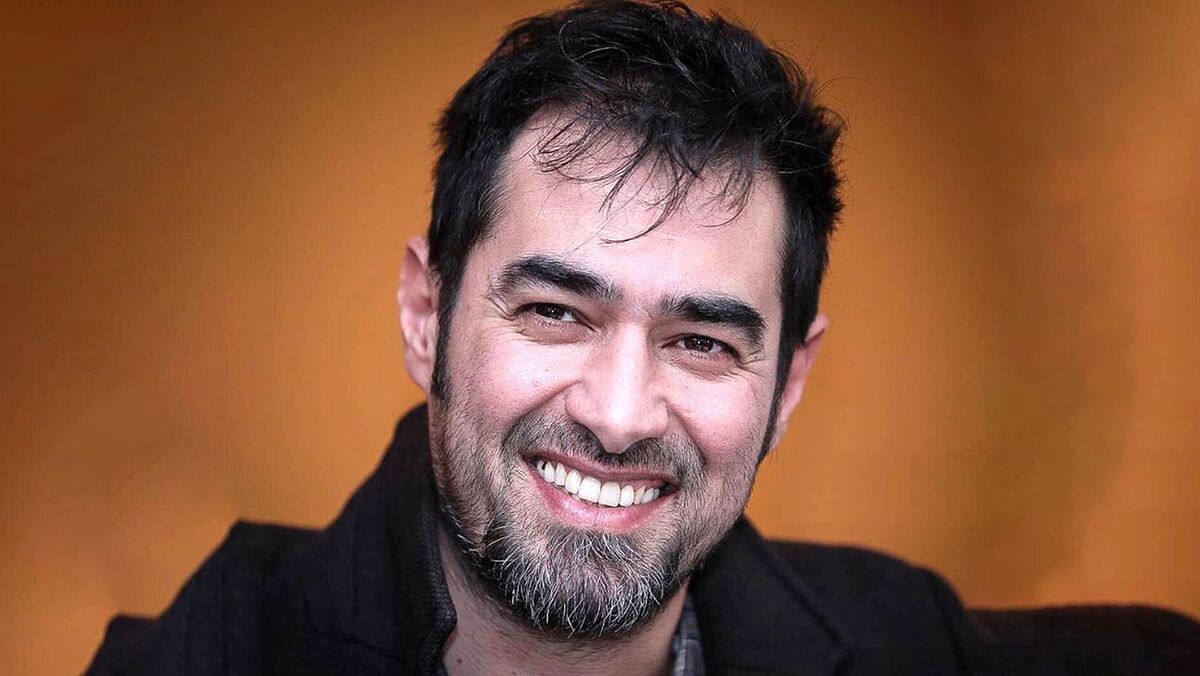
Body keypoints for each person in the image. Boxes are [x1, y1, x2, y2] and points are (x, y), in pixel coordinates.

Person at [85, 2, 1199, 675]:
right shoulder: (206, 653)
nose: (618, 416)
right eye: (555, 312)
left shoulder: (907, 638)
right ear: (426, 314)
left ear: (789, 382)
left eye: (702, 341)